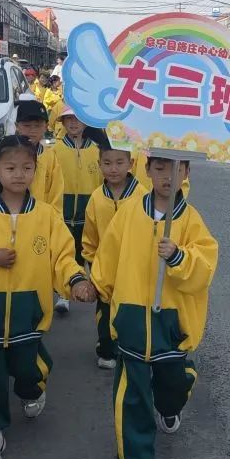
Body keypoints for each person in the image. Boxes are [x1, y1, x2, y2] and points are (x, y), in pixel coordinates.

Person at [0, 135, 95, 459]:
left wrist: (77, 281)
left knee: (29, 368)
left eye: (27, 167)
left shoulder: (46, 217)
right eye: (11, 167)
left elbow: (63, 258)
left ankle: (33, 390)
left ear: (35, 171)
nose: (19, 174)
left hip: (29, 317)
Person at [91, 156, 218, 459]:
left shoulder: (192, 221)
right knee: (132, 393)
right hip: (132, 319)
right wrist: (97, 286)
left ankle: (172, 402)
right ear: (146, 170)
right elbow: (109, 254)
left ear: (187, 173)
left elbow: (204, 270)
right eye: (160, 168)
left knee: (172, 383)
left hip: (173, 326)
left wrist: (179, 257)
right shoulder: (129, 213)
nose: (167, 176)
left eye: (176, 169)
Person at [82, 142, 147, 369]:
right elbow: (89, 237)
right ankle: (107, 349)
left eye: (120, 162)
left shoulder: (142, 196)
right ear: (99, 165)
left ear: (131, 163)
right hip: (105, 268)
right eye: (107, 163)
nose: (113, 169)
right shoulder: (96, 197)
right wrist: (91, 266)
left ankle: (132, 348)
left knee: (131, 308)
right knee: (105, 309)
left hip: (134, 267)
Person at [53, 106, 102, 313]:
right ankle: (63, 296)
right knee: (66, 252)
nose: (73, 123)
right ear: (62, 123)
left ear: (86, 122)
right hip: (63, 210)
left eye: (78, 119)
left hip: (89, 210)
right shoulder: (54, 150)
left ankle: (99, 291)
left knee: (90, 252)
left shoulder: (97, 150)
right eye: (68, 119)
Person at [14, 100, 64, 215]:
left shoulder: (50, 158)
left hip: (43, 221)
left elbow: (56, 196)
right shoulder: (8, 156)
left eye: (37, 125)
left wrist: (53, 223)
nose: (32, 130)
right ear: (17, 126)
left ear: (46, 127)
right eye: (27, 125)